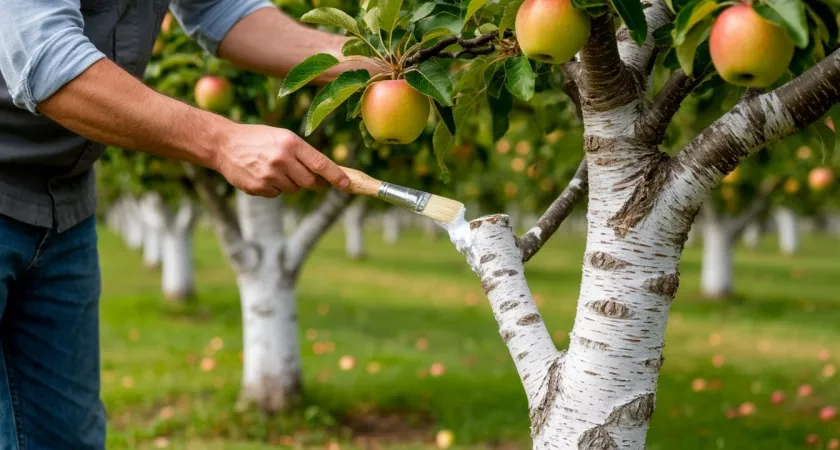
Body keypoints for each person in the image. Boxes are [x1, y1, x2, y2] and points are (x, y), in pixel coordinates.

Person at [0, 0, 377, 447]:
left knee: (64, 437)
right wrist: (222, 141)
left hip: (65, 203)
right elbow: (43, 54)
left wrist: (367, 62)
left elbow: (220, 8)